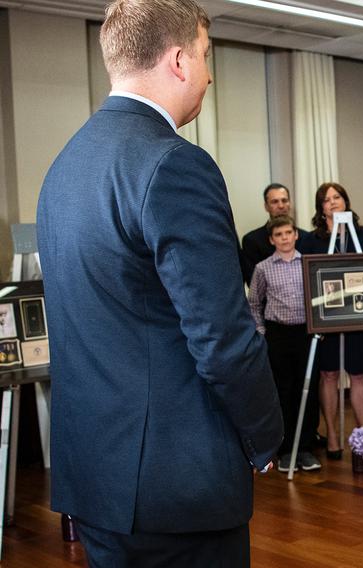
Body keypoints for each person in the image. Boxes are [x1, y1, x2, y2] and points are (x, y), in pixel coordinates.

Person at [36, 1, 283, 565]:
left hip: (97, 477)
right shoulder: (174, 164)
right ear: (178, 61)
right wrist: (265, 432)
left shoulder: (64, 166)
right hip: (176, 478)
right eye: (205, 55)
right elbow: (221, 335)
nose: (210, 72)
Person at [302, 182, 363, 461]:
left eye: (337, 197)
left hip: (358, 314)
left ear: (346, 200)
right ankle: (331, 433)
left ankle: (362, 437)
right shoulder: (310, 239)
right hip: (326, 316)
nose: (332, 202)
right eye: (326, 199)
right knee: (328, 374)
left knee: (358, 373)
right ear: (320, 207)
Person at [248, 216, 321, 473]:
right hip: (278, 336)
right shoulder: (263, 268)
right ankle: (287, 449)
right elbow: (254, 304)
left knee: (309, 390)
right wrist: (262, 333)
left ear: (296, 234)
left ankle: (306, 448)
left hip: (306, 333)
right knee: (283, 392)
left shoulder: (309, 264)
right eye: (279, 235)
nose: (285, 238)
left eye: (288, 232)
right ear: (272, 239)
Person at [240, 183, 307, 284]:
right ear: (266, 206)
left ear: (290, 203)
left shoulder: (305, 237)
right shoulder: (252, 240)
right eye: (274, 202)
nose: (281, 206)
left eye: (284, 201)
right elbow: (253, 281)